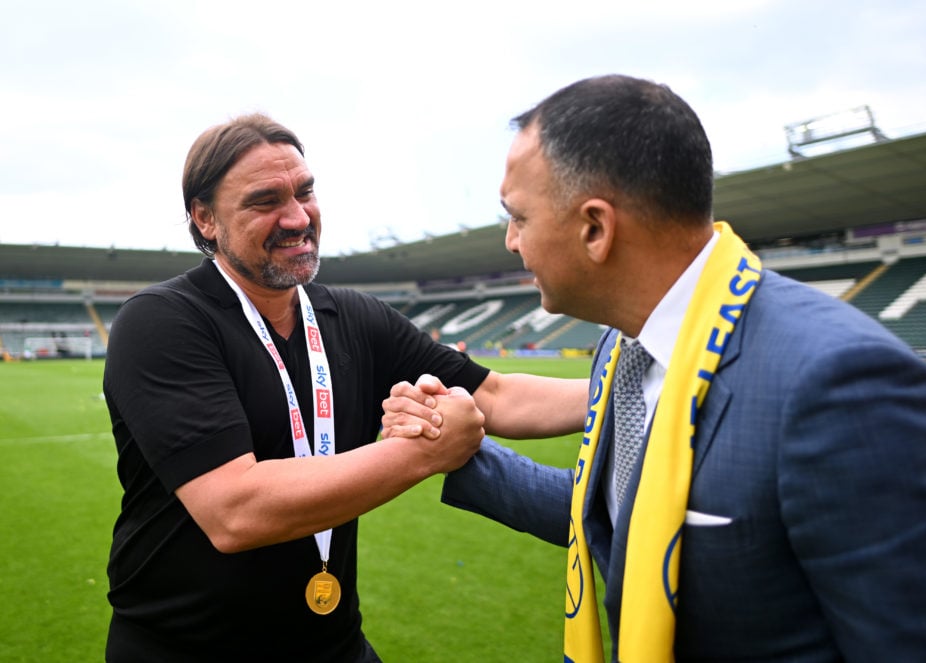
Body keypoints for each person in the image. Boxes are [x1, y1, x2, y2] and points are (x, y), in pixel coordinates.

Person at [385, 75, 926, 661]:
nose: (510, 241)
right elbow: (621, 515)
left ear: (595, 229)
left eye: (518, 217)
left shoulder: (843, 385)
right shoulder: (624, 345)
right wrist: (458, 451)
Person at [102, 113, 588, 662]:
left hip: (332, 644)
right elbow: (235, 510)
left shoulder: (355, 317)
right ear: (205, 219)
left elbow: (495, 395)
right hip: (184, 651)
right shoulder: (163, 322)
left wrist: (633, 385)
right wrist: (426, 450)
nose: (296, 217)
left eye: (305, 192)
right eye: (265, 201)